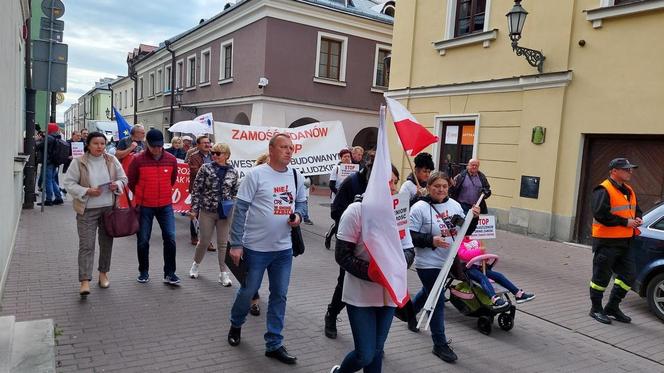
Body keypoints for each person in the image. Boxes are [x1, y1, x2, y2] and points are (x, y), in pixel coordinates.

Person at [226, 133, 306, 365]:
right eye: (284, 147)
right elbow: (240, 210)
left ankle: (274, 343)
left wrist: (299, 216)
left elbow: (301, 202)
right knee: (248, 290)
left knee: (279, 295)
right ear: (271, 150)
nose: (289, 151)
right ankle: (236, 323)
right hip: (255, 248)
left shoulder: (296, 176)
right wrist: (237, 244)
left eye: (291, 147)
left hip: (283, 249)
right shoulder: (256, 175)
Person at [329, 166, 409, 373]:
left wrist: (396, 268)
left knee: (377, 350)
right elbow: (343, 255)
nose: (391, 187)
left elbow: (409, 250)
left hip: (389, 294)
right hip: (360, 293)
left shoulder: (398, 211)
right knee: (365, 353)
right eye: (386, 182)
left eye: (394, 182)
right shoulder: (356, 211)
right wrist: (375, 272)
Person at [409, 171, 480, 363]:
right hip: (427, 263)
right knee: (437, 300)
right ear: (429, 187)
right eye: (436, 186)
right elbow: (410, 237)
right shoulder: (419, 208)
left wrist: (472, 218)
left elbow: (464, 231)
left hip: (448, 261)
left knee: (429, 291)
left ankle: (408, 314)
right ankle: (439, 344)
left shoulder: (455, 205)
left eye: (444, 186)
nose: (441, 189)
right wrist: (431, 240)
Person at [64, 132, 127, 297]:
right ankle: (84, 280)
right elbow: (68, 183)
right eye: (96, 143)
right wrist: (86, 191)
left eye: (102, 144)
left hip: (108, 209)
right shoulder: (79, 162)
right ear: (88, 145)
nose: (100, 147)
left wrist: (117, 185)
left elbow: (123, 178)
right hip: (87, 210)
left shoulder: (112, 160)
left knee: (106, 244)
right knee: (86, 245)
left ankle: (103, 273)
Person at [324, 152, 375, 338]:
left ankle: (371, 334)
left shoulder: (383, 186)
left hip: (375, 245)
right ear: (369, 167)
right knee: (345, 282)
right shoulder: (351, 182)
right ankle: (332, 314)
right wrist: (351, 215)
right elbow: (335, 211)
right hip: (352, 243)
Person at [588, 158, 642, 324]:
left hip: (626, 242)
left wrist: (638, 218)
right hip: (607, 243)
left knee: (629, 276)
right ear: (614, 171)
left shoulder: (629, 190)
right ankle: (596, 309)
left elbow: (636, 209)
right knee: (601, 278)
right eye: (626, 169)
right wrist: (626, 222)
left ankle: (612, 306)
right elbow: (601, 214)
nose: (630, 172)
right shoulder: (603, 189)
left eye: (630, 169)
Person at [127, 129, 181, 285]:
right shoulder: (137, 160)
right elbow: (131, 182)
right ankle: (143, 272)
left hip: (165, 205)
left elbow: (172, 179)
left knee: (170, 238)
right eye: (153, 146)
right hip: (144, 206)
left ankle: (170, 273)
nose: (157, 149)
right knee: (143, 240)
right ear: (146, 144)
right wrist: (142, 195)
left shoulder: (171, 159)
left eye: (159, 146)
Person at [188, 143, 239, 286]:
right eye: (213, 153)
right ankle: (196, 264)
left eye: (218, 153)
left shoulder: (233, 172)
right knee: (204, 241)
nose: (214, 155)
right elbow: (197, 189)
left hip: (225, 212)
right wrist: (194, 209)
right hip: (207, 211)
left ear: (227, 155)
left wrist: (233, 207)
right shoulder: (205, 168)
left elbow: (235, 192)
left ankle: (223, 273)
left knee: (223, 244)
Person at [458, 237, 535, 309]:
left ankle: (518, 294)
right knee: (482, 278)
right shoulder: (459, 241)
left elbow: (482, 252)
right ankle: (494, 299)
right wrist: (480, 251)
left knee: (499, 276)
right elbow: (463, 255)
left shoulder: (474, 240)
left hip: (480, 266)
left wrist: (485, 257)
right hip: (468, 268)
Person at [187, 135, 213, 247]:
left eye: (208, 142)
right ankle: (194, 236)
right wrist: (212, 172)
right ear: (198, 145)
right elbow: (195, 172)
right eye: (204, 143)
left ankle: (207, 240)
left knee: (209, 215)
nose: (207, 144)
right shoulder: (193, 157)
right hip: (198, 189)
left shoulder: (214, 155)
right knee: (195, 213)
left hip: (211, 190)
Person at [36, 123, 65, 206]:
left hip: (48, 161)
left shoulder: (48, 138)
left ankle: (49, 199)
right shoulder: (57, 137)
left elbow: (38, 146)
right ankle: (58, 198)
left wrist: (38, 139)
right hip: (54, 162)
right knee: (52, 179)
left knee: (47, 180)